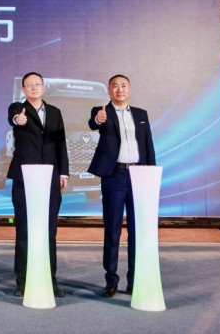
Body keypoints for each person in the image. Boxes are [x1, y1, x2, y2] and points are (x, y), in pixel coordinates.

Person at [88, 74, 156, 298]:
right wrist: (98, 119)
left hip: (139, 175)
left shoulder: (141, 114)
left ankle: (135, 280)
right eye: (115, 86)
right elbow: (93, 123)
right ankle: (111, 280)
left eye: (123, 86)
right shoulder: (102, 112)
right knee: (113, 229)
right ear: (109, 90)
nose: (120, 90)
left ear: (130, 89)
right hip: (114, 176)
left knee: (137, 230)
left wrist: (150, 174)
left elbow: (148, 145)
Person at [6, 71, 68, 298]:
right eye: (29, 85)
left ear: (43, 87)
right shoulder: (17, 108)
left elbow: (60, 144)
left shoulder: (55, 112)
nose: (33, 87)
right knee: (24, 230)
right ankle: (22, 282)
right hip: (24, 178)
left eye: (37, 84)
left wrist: (64, 173)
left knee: (49, 231)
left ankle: (50, 280)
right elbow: (14, 117)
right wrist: (18, 120)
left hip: (50, 177)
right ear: (23, 89)